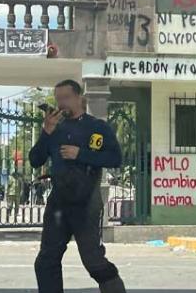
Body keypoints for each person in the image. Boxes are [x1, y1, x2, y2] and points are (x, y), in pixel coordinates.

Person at [29, 79, 125, 293]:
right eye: (58, 98)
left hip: (86, 202)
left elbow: (115, 158)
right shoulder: (54, 128)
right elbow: (35, 160)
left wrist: (80, 154)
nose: (61, 103)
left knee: (93, 261)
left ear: (79, 97)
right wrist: (46, 132)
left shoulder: (96, 127)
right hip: (58, 203)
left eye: (65, 98)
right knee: (46, 261)